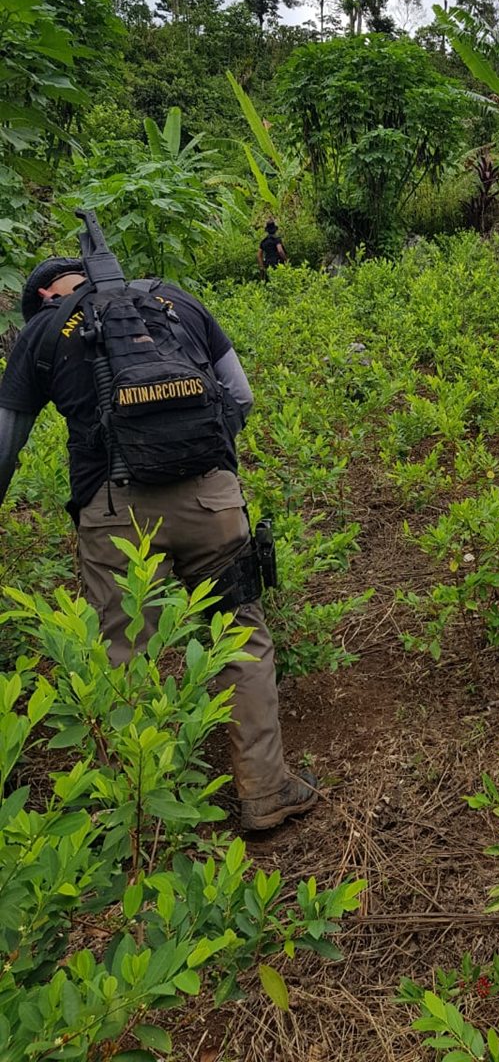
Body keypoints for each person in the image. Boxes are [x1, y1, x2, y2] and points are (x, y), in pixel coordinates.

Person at [0, 257, 318, 831]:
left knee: (126, 652)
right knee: (239, 633)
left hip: (115, 509)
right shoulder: (176, 299)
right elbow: (239, 397)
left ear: (46, 292)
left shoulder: (46, 328)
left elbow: (5, 444)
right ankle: (266, 790)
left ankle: (145, 816)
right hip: (212, 500)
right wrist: (198, 462)